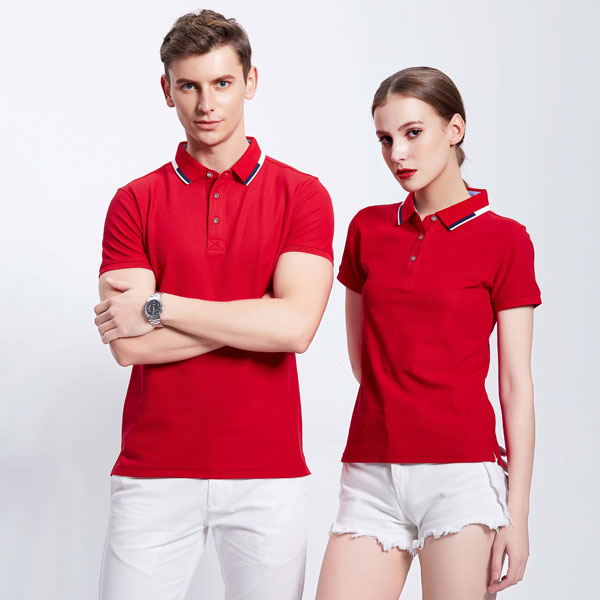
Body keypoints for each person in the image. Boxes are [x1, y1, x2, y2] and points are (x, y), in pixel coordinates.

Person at [93, 10, 334, 600]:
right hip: (154, 471)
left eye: (222, 83)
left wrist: (161, 306)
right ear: (167, 90)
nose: (206, 104)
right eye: (189, 86)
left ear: (250, 82)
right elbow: (129, 346)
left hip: (268, 473)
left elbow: (295, 329)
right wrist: (258, 314)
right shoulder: (134, 201)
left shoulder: (301, 195)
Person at [316, 66, 541, 600]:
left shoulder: (505, 239)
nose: (398, 154)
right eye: (385, 139)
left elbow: (515, 385)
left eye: (413, 133)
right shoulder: (367, 228)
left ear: (455, 129)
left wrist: (517, 514)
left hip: (461, 476)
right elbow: (364, 361)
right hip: (371, 472)